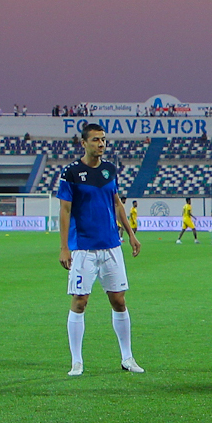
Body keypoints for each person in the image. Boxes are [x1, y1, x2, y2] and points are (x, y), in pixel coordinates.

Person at [55, 122, 144, 376]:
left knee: (119, 300)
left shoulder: (109, 170)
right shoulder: (71, 172)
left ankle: (127, 357)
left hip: (111, 246)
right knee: (80, 302)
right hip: (83, 248)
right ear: (83, 143)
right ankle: (77, 361)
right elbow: (65, 210)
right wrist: (64, 247)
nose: (101, 144)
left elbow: (116, 203)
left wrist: (131, 234)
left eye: (103, 139)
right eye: (95, 140)